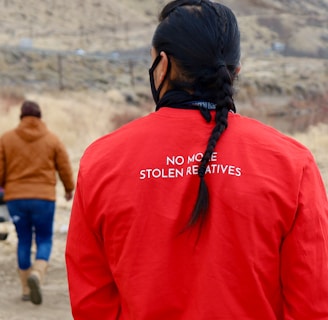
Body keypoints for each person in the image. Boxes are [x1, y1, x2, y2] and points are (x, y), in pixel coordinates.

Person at [65, 0, 328, 319]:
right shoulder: (291, 162)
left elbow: (91, 302)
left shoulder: (101, 160)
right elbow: (312, 302)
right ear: (235, 72)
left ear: (161, 65)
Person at [0, 100, 75, 305]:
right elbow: (64, 166)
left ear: (21, 117)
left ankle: (25, 289)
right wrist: (69, 189)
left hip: (15, 199)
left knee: (23, 240)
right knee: (44, 239)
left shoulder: (6, 139)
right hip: (44, 198)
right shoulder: (52, 139)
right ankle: (38, 274)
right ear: (40, 117)